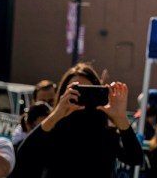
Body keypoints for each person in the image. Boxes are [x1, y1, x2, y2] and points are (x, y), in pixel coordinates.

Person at [12, 63, 142, 177]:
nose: (82, 97)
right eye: (77, 91)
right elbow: (24, 154)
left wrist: (121, 120)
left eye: (89, 91)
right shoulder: (54, 129)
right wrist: (56, 114)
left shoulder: (105, 133)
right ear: (63, 94)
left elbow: (135, 158)